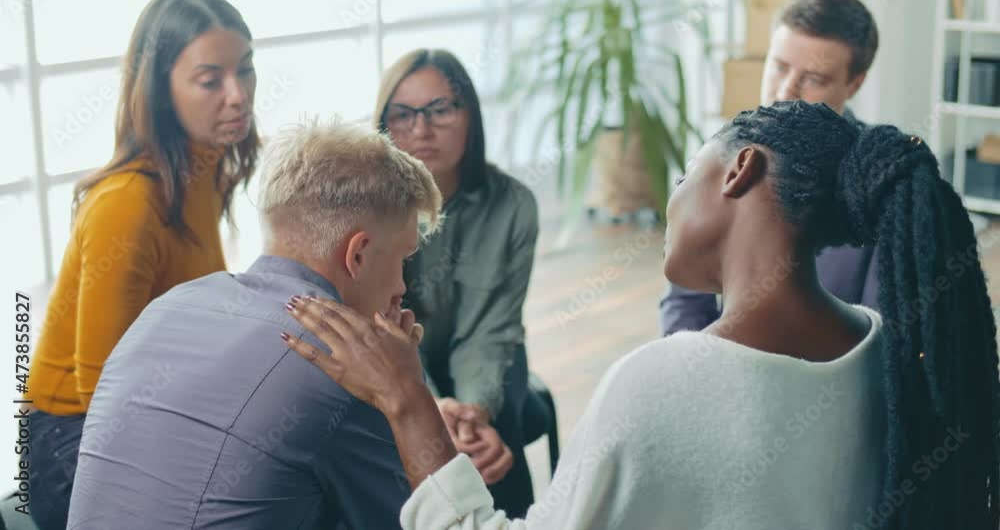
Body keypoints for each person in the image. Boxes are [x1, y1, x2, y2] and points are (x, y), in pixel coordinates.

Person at [284, 101, 999, 529]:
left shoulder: (665, 383)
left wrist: (407, 402)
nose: (669, 198)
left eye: (684, 173)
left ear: (740, 171)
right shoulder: (881, 351)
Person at [67, 119, 441, 529]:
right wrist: (408, 392)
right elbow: (431, 520)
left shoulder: (166, 309)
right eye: (403, 260)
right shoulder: (346, 370)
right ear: (358, 254)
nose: (402, 288)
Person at [23, 0, 259, 530]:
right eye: (211, 80)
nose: (238, 94)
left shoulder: (209, 171)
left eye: (245, 70)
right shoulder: (126, 205)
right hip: (72, 442)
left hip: (144, 414)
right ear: (160, 90)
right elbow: (103, 396)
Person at [374, 49, 540, 516]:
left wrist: (470, 413)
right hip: (395, 359)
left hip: (486, 360)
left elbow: (491, 328)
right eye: (403, 115)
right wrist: (429, 405)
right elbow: (383, 328)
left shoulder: (513, 205)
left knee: (494, 435)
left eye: (440, 110)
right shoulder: (370, 208)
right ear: (383, 123)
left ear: (471, 115)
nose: (421, 130)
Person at [661, 0, 881, 334]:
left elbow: (879, 339)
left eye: (813, 78)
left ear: (854, 83)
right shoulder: (719, 159)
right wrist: (691, 367)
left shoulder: (879, 182)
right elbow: (685, 302)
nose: (784, 91)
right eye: (778, 67)